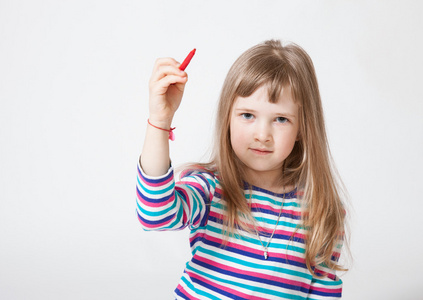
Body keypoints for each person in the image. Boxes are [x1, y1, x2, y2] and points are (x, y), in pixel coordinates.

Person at [136, 39, 348, 299]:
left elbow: (323, 290)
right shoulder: (210, 189)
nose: (262, 134)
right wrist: (160, 121)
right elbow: (155, 215)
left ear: (303, 127)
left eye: (280, 119)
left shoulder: (321, 209)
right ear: (228, 118)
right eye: (247, 115)